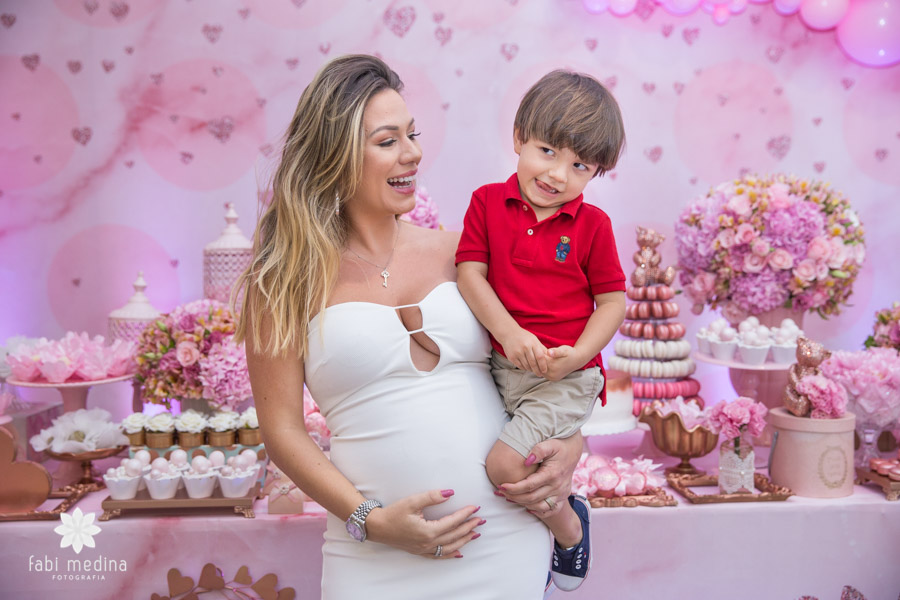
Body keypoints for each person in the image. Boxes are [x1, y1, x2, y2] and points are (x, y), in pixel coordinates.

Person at [235, 54, 584, 600]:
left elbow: (538, 363)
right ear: (335, 155)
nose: (413, 153)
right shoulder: (282, 279)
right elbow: (281, 431)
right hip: (372, 554)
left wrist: (570, 444)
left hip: (502, 540)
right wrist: (370, 521)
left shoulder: (463, 250)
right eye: (388, 140)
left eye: (413, 134)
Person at [456, 69, 627, 591]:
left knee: (505, 465)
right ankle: (549, 516)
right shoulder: (487, 202)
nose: (558, 174)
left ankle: (569, 528)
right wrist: (508, 333)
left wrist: (578, 356)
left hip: (563, 376)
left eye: (580, 165)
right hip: (504, 366)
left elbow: (612, 302)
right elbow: (470, 274)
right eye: (548, 150)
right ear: (518, 139)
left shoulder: (593, 225)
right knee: (495, 463)